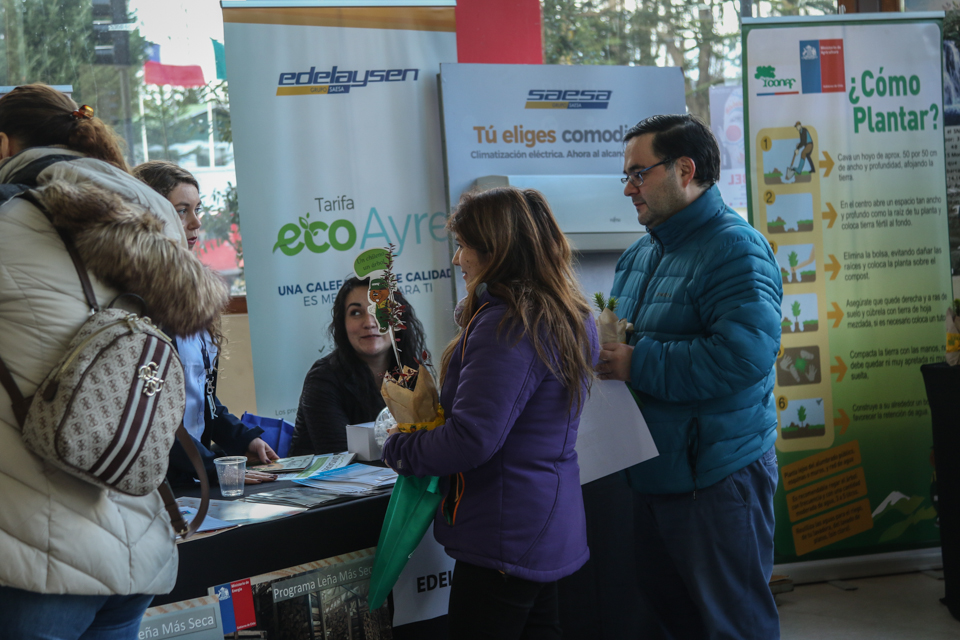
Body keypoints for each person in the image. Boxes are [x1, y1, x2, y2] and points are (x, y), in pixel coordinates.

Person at [0, 84, 227, 638]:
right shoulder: (156, 220)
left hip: (35, 552)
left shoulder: (9, 221)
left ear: (3, 145)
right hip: (139, 535)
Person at [382, 187, 598, 639]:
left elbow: (472, 438)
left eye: (463, 246)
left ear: (495, 250)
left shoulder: (508, 323)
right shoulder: (566, 313)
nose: (457, 259)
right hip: (540, 521)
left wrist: (401, 448)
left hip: (505, 532)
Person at [596, 113, 783, 639]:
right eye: (626, 176)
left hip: (717, 479)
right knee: (673, 622)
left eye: (639, 174)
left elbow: (742, 357)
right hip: (654, 475)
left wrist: (636, 362)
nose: (629, 189)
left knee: (734, 625)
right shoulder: (641, 254)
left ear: (685, 169)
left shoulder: (735, 249)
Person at [132, 160, 279, 486]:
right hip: (156, 482)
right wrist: (213, 469)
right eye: (181, 211)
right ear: (146, 215)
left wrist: (243, 439)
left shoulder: (190, 292)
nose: (196, 222)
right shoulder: (134, 302)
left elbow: (201, 398)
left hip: (193, 475)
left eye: (197, 209)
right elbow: (151, 416)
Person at [288, 278, 427, 456]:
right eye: (355, 313)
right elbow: (340, 456)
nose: (369, 323)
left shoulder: (412, 371)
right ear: (342, 324)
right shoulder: (322, 378)